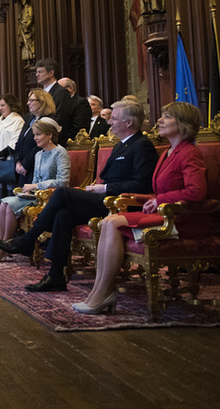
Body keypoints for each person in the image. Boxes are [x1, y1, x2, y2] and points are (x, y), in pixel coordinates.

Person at [0, 99, 159, 291]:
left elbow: (142, 184)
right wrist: (97, 187)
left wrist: (104, 189)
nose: (109, 122)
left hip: (122, 204)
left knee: (63, 192)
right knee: (62, 215)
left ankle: (28, 240)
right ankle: (55, 276)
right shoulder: (120, 145)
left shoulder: (141, 145)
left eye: (114, 119)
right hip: (106, 199)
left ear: (128, 122)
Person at [74, 102, 207, 314]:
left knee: (113, 221)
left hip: (180, 217)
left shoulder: (189, 152)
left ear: (183, 124)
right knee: (108, 221)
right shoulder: (167, 153)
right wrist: (141, 197)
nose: (159, 121)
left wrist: (161, 199)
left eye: (167, 117)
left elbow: (196, 192)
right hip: (161, 211)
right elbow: (161, 190)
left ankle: (102, 293)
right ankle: (99, 291)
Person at [0, 118, 68, 262]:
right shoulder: (38, 154)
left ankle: (2, 249)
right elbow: (36, 179)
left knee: (10, 205)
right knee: (5, 203)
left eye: (38, 135)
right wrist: (28, 190)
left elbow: (63, 181)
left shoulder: (60, 152)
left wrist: (36, 186)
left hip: (52, 198)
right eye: (34, 135)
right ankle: (2, 244)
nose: (35, 138)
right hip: (35, 195)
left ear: (50, 135)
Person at [0, 94, 25, 211]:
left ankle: (8, 221)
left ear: (11, 106)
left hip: (8, 162)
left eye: (3, 105)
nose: (1, 108)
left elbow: (15, 142)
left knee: (8, 195)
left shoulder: (18, 121)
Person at [58, 77, 91, 143]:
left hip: (74, 143)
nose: (57, 92)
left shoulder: (80, 103)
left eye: (59, 89)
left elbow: (79, 127)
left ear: (70, 88)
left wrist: (60, 139)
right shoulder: (61, 103)